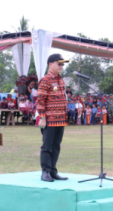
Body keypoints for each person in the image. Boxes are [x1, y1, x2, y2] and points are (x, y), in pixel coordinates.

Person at [37, 53, 69, 182]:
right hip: (49, 120)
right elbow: (40, 100)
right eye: (59, 63)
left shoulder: (61, 80)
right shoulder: (45, 80)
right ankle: (45, 171)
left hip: (60, 120)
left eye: (62, 64)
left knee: (56, 146)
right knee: (47, 146)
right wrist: (42, 117)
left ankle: (53, 171)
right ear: (50, 64)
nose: (61, 66)